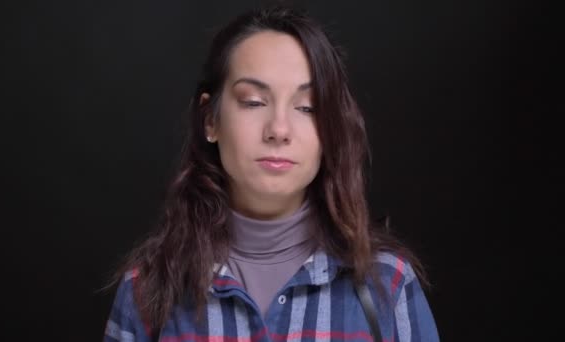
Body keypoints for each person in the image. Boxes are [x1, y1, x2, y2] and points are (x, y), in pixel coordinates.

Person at [103, 5, 439, 342]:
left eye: (307, 107)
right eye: (253, 101)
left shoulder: (387, 285)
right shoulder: (146, 292)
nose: (279, 129)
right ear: (210, 120)